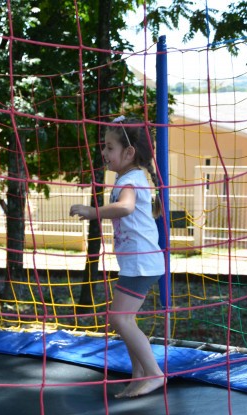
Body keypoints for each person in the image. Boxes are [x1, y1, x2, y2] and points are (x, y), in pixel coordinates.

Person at [69, 115, 166, 398]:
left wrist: (92, 212)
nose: (104, 152)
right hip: (138, 261)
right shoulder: (129, 177)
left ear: (129, 152)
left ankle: (154, 373)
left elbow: (125, 207)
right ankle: (139, 375)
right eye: (104, 146)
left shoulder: (131, 180)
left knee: (120, 319)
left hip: (141, 262)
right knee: (124, 319)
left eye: (109, 147)